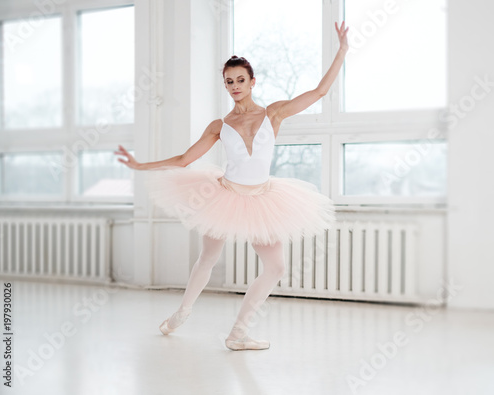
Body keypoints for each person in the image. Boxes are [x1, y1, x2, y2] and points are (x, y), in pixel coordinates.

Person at [115, 21, 349, 351]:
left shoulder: (274, 113)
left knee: (276, 266)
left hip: (263, 198)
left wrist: (341, 51)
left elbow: (319, 92)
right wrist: (140, 165)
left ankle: (238, 332)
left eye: (240, 80)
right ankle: (182, 312)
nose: (235, 86)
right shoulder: (219, 125)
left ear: (252, 82)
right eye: (229, 82)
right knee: (208, 258)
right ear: (225, 86)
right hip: (223, 195)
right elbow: (184, 159)